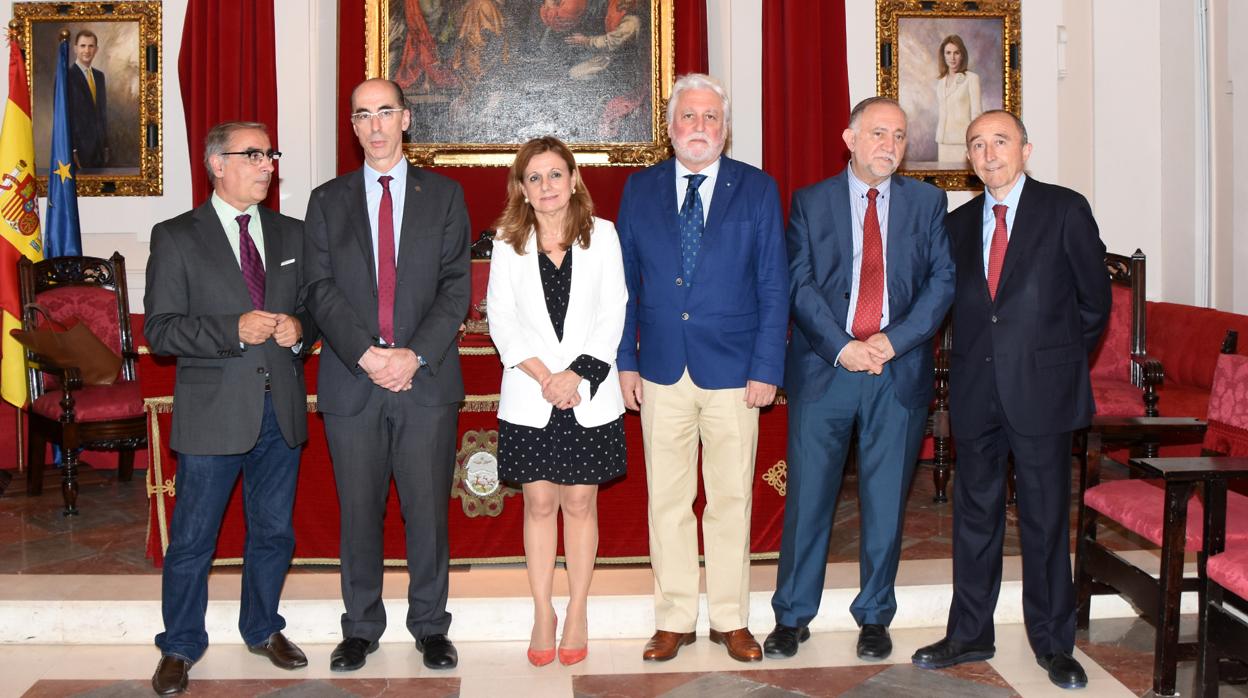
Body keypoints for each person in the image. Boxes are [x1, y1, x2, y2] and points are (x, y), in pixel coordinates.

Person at [911, 110, 1111, 690]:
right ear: (968, 159)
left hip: (1042, 393)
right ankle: (970, 629)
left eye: (1000, 141)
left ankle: (1054, 643)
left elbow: (1094, 303)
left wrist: (1054, 362)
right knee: (973, 516)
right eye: (976, 145)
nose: (988, 152)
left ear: (1026, 149)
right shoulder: (959, 222)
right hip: (976, 391)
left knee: (1046, 520)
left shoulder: (1064, 209)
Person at [765, 97, 955, 662]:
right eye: (877, 134)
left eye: (898, 136)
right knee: (808, 500)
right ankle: (792, 616)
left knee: (885, 502)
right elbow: (798, 284)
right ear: (849, 138)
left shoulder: (927, 203)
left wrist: (892, 342)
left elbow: (942, 282)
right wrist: (844, 347)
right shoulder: (811, 202)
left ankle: (875, 616)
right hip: (826, 372)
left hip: (897, 371)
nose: (889, 147)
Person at [616, 72, 789, 664]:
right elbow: (626, 287)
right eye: (688, 117)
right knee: (666, 499)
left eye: (710, 117)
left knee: (731, 499)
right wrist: (624, 362)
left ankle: (731, 619)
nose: (699, 127)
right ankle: (673, 619)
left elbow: (774, 284)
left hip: (737, 374)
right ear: (669, 128)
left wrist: (768, 365)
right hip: (660, 369)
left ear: (726, 128)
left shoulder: (758, 190)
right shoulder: (639, 191)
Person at [303, 78, 470, 672]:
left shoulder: (445, 196)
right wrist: (367, 355)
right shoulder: (326, 200)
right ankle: (360, 627)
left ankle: (430, 626)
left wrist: (412, 355)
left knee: (427, 511)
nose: (374, 125)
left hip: (425, 383)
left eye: (385, 112)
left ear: (405, 119)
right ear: (352, 126)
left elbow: (456, 287)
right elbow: (318, 288)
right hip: (354, 382)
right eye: (362, 115)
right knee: (358, 511)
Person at [144, 121, 313, 696]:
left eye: (271, 154)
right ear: (218, 164)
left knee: (273, 533)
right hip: (213, 412)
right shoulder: (177, 236)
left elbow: (313, 313)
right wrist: (231, 329)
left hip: (280, 411)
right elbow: (161, 331)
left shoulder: (292, 235)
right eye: (254, 154)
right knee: (193, 538)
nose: (267, 164)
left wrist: (299, 331)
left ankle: (263, 628)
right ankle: (180, 644)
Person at [486, 136, 628, 667]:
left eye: (554, 175)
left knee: (579, 503)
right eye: (534, 178)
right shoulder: (507, 242)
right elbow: (502, 319)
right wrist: (548, 378)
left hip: (588, 394)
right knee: (540, 504)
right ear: (521, 188)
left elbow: (613, 312)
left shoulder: (604, 237)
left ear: (573, 179)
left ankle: (578, 610)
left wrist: (576, 377)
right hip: (532, 394)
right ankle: (543, 609)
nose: (546, 186)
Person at [934, 35, 981, 164]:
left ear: (962, 55)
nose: (952, 58)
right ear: (943, 55)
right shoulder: (940, 82)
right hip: (943, 141)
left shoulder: (972, 78)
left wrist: (974, 141)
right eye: (948, 53)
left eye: (956, 53)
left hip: (962, 141)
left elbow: (977, 114)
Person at [67, 29, 109, 168]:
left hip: (99, 150)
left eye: (91, 46)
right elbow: (64, 116)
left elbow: (102, 114)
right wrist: (71, 149)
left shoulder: (99, 76)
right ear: (75, 49)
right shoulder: (66, 76)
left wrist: (105, 145)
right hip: (78, 150)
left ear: (96, 49)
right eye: (83, 46)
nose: (87, 50)